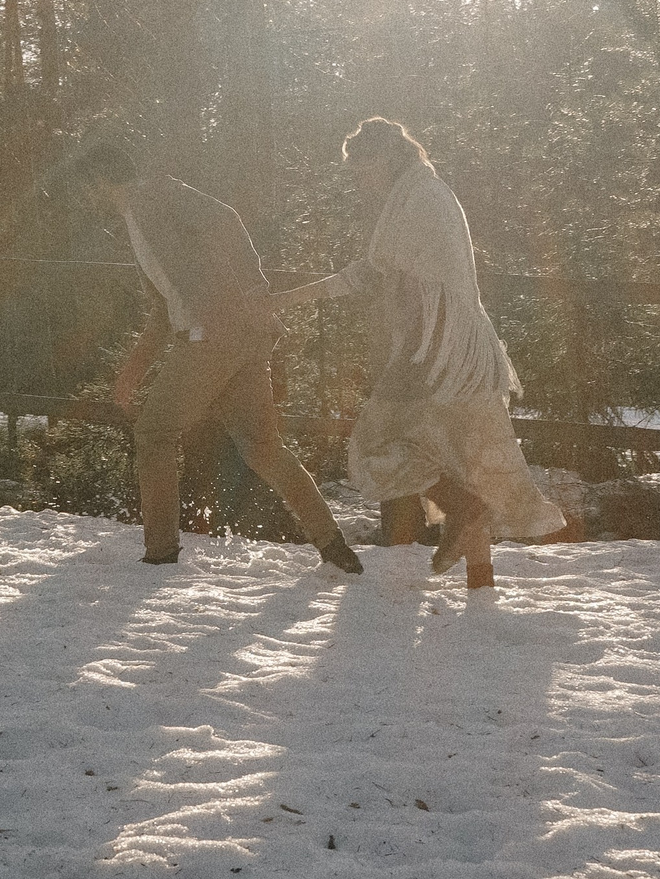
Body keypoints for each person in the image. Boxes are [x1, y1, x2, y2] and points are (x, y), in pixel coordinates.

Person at [271, 118, 564, 586]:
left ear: (384, 159)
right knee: (465, 454)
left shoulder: (417, 201)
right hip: (458, 348)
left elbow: (370, 274)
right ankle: (480, 578)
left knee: (375, 446)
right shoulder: (424, 193)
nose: (357, 180)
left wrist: (286, 299)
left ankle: (464, 509)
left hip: (436, 349)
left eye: (360, 169)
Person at [80, 142, 364, 574]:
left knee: (155, 434)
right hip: (232, 339)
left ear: (100, 180)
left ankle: (160, 554)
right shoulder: (139, 217)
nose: (85, 198)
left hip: (212, 340)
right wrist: (132, 372)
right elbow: (163, 309)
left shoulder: (154, 196)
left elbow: (226, 219)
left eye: (87, 188)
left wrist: (251, 294)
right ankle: (332, 543)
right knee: (263, 447)